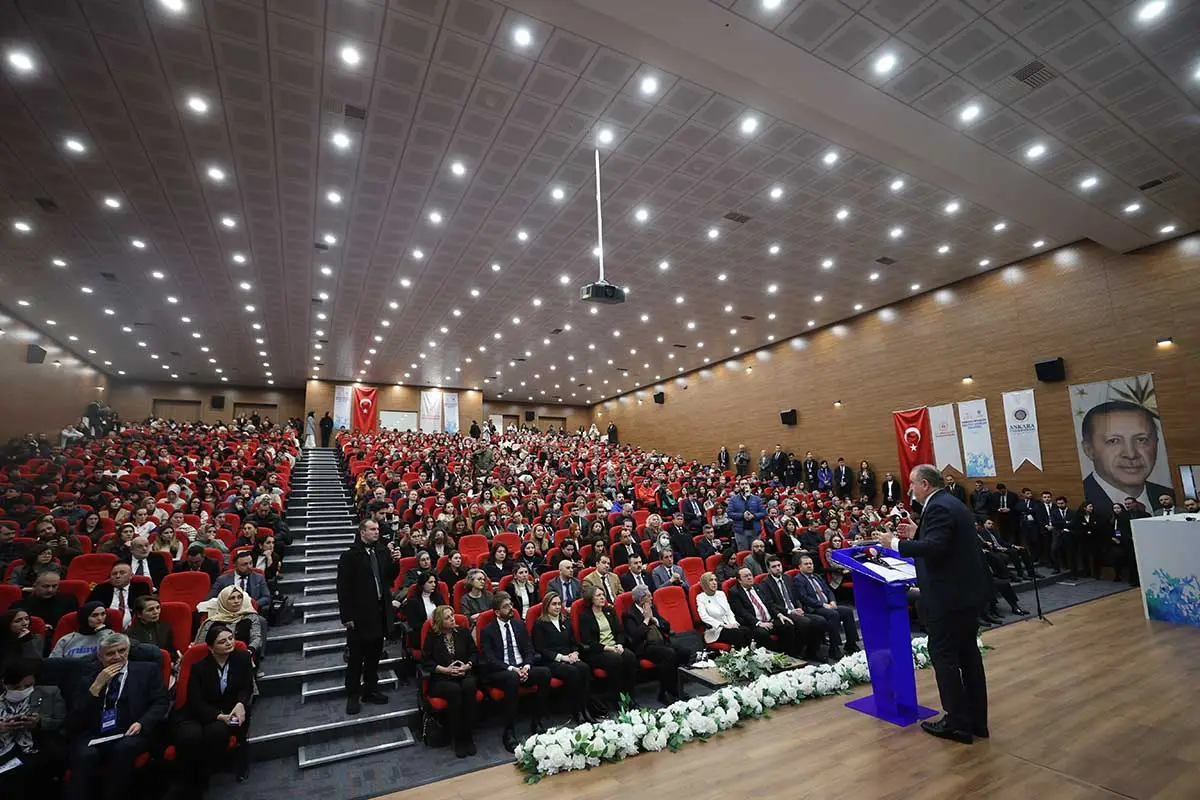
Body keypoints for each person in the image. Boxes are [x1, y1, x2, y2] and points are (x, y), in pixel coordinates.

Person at [878, 464, 990, 744]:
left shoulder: (938, 507)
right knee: (969, 658)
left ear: (925, 484)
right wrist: (918, 533)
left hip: (946, 599)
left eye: (913, 484)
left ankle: (956, 722)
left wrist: (894, 544)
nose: (910, 490)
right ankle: (977, 721)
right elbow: (945, 543)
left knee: (945, 658)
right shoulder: (951, 503)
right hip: (964, 596)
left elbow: (937, 548)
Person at [64, 632, 170, 800]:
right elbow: (76, 716)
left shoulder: (147, 670)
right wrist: (96, 687)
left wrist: (142, 723)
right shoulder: (88, 675)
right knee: (84, 755)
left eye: (122, 651)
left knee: (123, 749)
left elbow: (161, 702)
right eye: (110, 653)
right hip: (95, 732)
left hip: (131, 729)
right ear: (100, 656)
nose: (117, 657)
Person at [172, 624, 253, 797]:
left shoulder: (243, 658)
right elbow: (195, 701)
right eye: (222, 641)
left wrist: (240, 703)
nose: (228, 643)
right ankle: (189, 781)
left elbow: (246, 687)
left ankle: (202, 777)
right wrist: (218, 715)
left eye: (230, 639)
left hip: (229, 710)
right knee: (189, 736)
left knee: (215, 733)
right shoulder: (199, 667)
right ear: (210, 647)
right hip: (199, 713)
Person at [336, 518, 401, 715]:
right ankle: (353, 694)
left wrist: (396, 562)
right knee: (356, 657)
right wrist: (347, 616)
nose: (376, 532)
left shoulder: (381, 551)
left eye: (377, 529)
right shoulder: (349, 556)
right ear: (362, 532)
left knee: (374, 655)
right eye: (372, 529)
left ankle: (370, 689)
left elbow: (389, 578)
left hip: (380, 611)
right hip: (359, 614)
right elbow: (343, 589)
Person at [479, 592, 550, 752]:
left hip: (521, 667)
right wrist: (513, 669)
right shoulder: (487, 631)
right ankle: (509, 731)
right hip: (501, 671)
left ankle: (537, 720)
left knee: (544, 673)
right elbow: (490, 659)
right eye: (506, 607)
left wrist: (526, 666)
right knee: (512, 678)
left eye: (511, 605)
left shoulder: (519, 625)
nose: (511, 608)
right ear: (497, 612)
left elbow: (529, 650)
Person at [1080, 400, 1175, 515]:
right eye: (1113, 441)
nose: (1131, 454)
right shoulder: (1082, 498)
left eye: (1141, 440)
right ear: (1089, 449)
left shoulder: (1169, 495)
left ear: (1156, 443)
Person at [0, 657, 67, 797]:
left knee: (19, 774)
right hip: (4, 747)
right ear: (4, 684)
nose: (23, 690)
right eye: (16, 687)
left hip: (36, 746)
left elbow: (63, 722)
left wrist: (40, 723)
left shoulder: (50, 693)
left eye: (28, 685)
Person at [422, 605, 479, 758]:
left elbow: (474, 653)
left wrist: (467, 666)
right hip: (442, 678)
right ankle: (458, 737)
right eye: (448, 617)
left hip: (463, 673)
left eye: (452, 615)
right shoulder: (432, 636)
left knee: (469, 685)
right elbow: (426, 662)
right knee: (454, 691)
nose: (453, 619)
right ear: (440, 621)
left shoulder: (463, 632)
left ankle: (468, 734)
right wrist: (445, 670)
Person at [531, 591, 595, 722]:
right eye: (553, 604)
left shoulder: (565, 620)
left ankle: (585, 707)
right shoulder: (539, 624)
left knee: (584, 668)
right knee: (573, 672)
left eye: (559, 604)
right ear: (546, 606)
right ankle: (575, 711)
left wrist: (575, 653)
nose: (557, 607)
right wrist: (562, 657)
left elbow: (574, 643)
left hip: (569, 657)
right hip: (551, 661)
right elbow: (541, 649)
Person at [622, 584, 690, 703]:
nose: (652, 598)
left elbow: (667, 626)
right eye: (649, 596)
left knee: (684, 651)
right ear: (642, 599)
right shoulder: (629, 614)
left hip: (661, 641)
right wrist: (646, 620)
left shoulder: (651, 608)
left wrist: (655, 621)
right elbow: (634, 637)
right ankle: (664, 692)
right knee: (669, 655)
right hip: (644, 646)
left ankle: (674, 687)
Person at [577, 584, 638, 705]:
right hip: (598, 651)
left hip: (615, 646)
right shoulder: (585, 616)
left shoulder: (609, 611)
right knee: (615, 659)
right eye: (598, 595)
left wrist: (620, 644)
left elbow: (619, 631)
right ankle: (617, 699)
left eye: (603, 595)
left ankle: (629, 696)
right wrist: (608, 648)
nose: (602, 597)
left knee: (630, 657)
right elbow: (588, 641)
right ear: (591, 599)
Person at [793, 555, 859, 655]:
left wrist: (832, 601)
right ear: (800, 567)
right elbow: (804, 598)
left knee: (848, 611)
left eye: (810, 563)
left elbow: (828, 591)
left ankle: (851, 644)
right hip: (814, 608)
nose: (809, 566)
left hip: (828, 605)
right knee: (833, 615)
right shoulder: (798, 579)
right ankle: (834, 647)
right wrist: (823, 605)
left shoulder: (817, 576)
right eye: (806, 564)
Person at [195, 586, 267, 667]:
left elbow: (256, 638)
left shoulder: (251, 616)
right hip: (216, 659)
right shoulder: (212, 622)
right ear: (224, 601)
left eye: (239, 597)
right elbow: (201, 645)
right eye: (232, 598)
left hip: (245, 657)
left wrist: (249, 650)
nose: (237, 601)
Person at [14, 572, 78, 648]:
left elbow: (73, 624)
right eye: (45, 586)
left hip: (63, 640)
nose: (50, 590)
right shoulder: (21, 604)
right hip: (32, 640)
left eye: (54, 586)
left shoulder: (69, 600)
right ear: (35, 586)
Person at [694, 571, 754, 648]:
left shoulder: (721, 594)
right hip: (715, 630)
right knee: (737, 633)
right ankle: (742, 656)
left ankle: (753, 653)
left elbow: (729, 612)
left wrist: (734, 623)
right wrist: (724, 626)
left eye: (715, 580)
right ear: (705, 583)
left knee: (747, 630)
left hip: (730, 625)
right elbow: (704, 617)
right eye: (711, 580)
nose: (714, 582)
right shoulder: (700, 597)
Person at [88, 561, 150, 630]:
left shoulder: (141, 588)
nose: (117, 576)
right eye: (114, 574)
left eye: (122, 573)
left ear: (131, 576)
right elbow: (89, 609)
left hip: (135, 630)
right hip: (105, 629)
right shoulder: (100, 589)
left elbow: (146, 609)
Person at [207, 551, 271, 610]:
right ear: (235, 566)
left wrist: (254, 604)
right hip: (229, 611)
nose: (249, 567)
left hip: (250, 610)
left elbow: (266, 597)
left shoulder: (259, 578)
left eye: (250, 563)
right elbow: (210, 598)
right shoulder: (222, 580)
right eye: (244, 564)